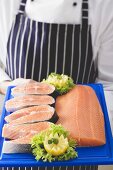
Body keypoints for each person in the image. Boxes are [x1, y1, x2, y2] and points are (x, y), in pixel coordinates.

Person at [0, 0, 113, 170]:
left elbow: (108, 83)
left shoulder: (104, 6)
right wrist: (7, 85)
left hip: (78, 159)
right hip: (17, 153)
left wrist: (89, 127)